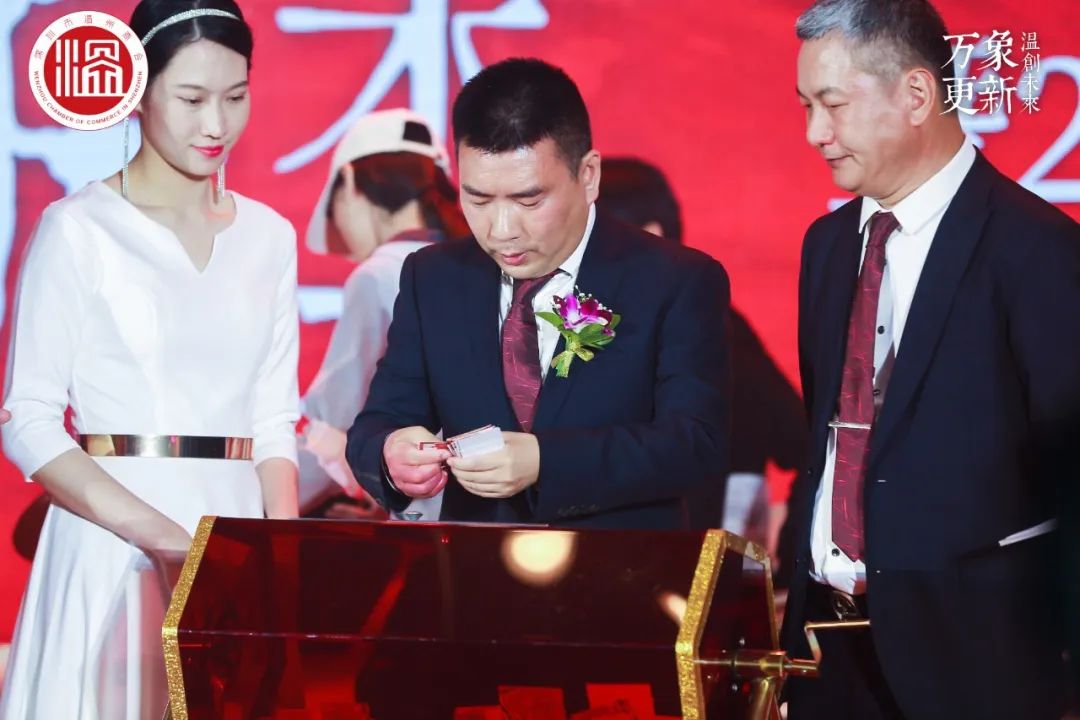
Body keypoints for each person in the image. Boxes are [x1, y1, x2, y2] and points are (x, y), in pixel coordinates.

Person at [781, 1, 1080, 718]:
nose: (815, 132)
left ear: (916, 94)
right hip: (828, 652)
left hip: (978, 660)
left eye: (833, 105)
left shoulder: (1036, 250)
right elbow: (828, 440)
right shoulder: (827, 246)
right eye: (806, 106)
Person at [0, 1, 300, 717]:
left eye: (235, 96)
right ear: (136, 93)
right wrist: (169, 545)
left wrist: (285, 558)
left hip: (234, 548)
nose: (216, 124)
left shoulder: (269, 236)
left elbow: (273, 421)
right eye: (192, 99)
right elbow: (27, 421)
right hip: (113, 545)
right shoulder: (79, 228)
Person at [346, 58, 731, 529]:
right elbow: (376, 422)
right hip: (474, 565)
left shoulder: (673, 280)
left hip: (621, 566)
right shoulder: (434, 278)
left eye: (529, 200)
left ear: (588, 175)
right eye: (478, 199)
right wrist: (391, 454)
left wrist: (546, 461)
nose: (502, 230)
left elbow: (696, 443)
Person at [598, 157, 807, 547]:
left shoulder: (716, 325)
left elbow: (804, 442)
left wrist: (795, 544)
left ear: (651, 235)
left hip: (701, 567)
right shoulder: (586, 327)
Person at [299, 108, 468, 520]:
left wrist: (256, 502)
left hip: (424, 509)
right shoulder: (473, 264)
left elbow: (331, 428)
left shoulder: (378, 274)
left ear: (349, 182)